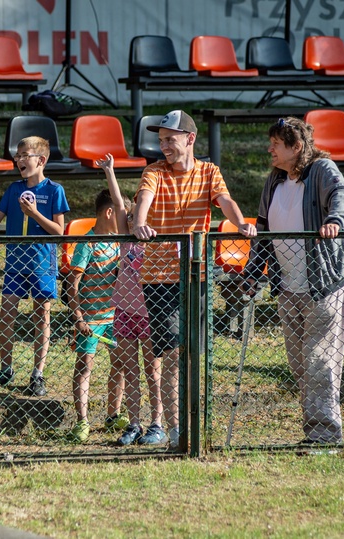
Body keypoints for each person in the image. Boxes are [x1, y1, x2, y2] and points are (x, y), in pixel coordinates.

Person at [132, 110, 256, 448]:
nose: (164, 146)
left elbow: (224, 200)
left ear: (189, 139)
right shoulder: (154, 171)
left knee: (194, 354)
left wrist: (240, 222)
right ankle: (176, 431)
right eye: (160, 141)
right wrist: (139, 223)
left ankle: (195, 424)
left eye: (169, 139)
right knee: (172, 354)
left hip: (195, 274)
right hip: (159, 277)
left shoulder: (209, 171)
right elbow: (144, 197)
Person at [242, 117, 344, 445]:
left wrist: (334, 220)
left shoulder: (322, 169)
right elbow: (262, 228)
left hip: (323, 286)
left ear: (297, 147)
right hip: (288, 288)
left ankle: (323, 437)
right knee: (300, 364)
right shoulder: (274, 179)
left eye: (276, 143)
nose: (270, 149)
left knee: (320, 362)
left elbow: (341, 195)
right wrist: (253, 273)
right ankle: (319, 420)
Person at [0, 136, 70, 397]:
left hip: (42, 264)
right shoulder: (15, 189)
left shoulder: (54, 190)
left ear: (41, 160)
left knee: (42, 317)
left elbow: (59, 232)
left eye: (24, 155)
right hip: (15, 263)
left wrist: (34, 214)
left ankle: (37, 373)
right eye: (17, 155)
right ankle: (6, 368)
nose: (19, 160)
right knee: (7, 315)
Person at [96, 154, 162, 446]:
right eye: (132, 217)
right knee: (130, 370)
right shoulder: (126, 238)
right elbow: (119, 204)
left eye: (139, 217)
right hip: (123, 311)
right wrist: (110, 171)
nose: (134, 221)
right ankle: (133, 423)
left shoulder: (157, 240)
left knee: (153, 371)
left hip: (149, 314)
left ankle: (157, 423)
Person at [65, 189, 125, 443]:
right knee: (84, 366)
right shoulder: (86, 243)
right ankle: (82, 421)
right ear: (109, 212)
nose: (125, 219)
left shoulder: (118, 242)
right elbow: (72, 284)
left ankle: (114, 414)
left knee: (121, 365)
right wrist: (78, 317)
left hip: (114, 317)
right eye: (121, 214)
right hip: (89, 319)